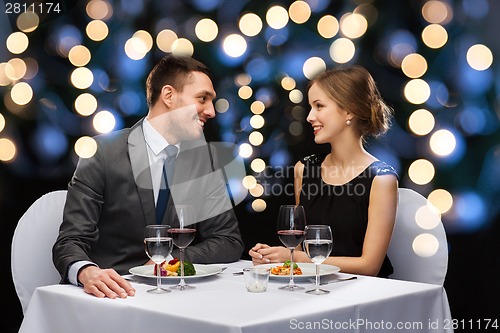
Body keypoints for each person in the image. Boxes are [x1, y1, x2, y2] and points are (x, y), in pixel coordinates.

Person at [53, 55, 244, 298]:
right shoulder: (102, 152)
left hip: (179, 298)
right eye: (202, 99)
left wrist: (171, 261)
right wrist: (87, 272)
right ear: (168, 96)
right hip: (113, 297)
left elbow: (228, 240)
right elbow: (69, 242)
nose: (211, 111)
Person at [249, 65, 398, 278]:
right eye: (310, 107)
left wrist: (296, 258)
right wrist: (276, 257)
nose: (309, 116)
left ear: (349, 110)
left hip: (364, 294)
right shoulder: (304, 169)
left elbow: (369, 266)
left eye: (319, 106)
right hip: (312, 288)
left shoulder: (381, 179)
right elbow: (299, 251)